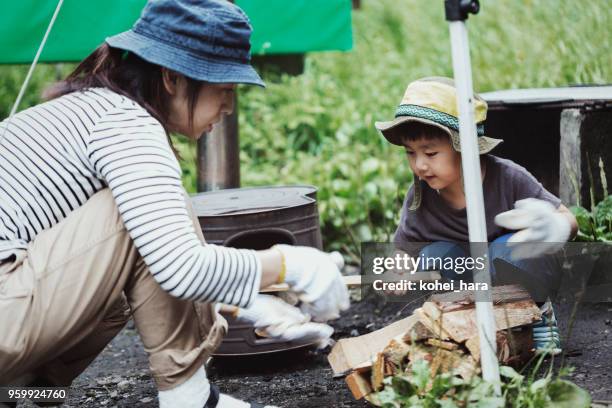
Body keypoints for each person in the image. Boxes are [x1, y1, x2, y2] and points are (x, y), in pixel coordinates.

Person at [0, 1, 349, 407]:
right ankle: (191, 400)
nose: (229, 106)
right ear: (170, 78)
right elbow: (178, 267)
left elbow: (135, 271)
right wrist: (290, 264)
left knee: (150, 227)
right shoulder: (125, 123)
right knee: (137, 219)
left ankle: (26, 395)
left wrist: (245, 299)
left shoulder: (93, 109)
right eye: (224, 89)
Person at [375, 76, 578, 355]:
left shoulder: (508, 178)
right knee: (434, 254)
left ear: (465, 147)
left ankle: (537, 317)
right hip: (466, 279)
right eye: (411, 153)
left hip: (512, 274)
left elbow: (569, 219)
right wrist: (397, 270)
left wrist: (554, 227)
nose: (419, 165)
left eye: (431, 153)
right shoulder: (419, 198)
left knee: (507, 249)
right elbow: (405, 250)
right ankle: (466, 322)